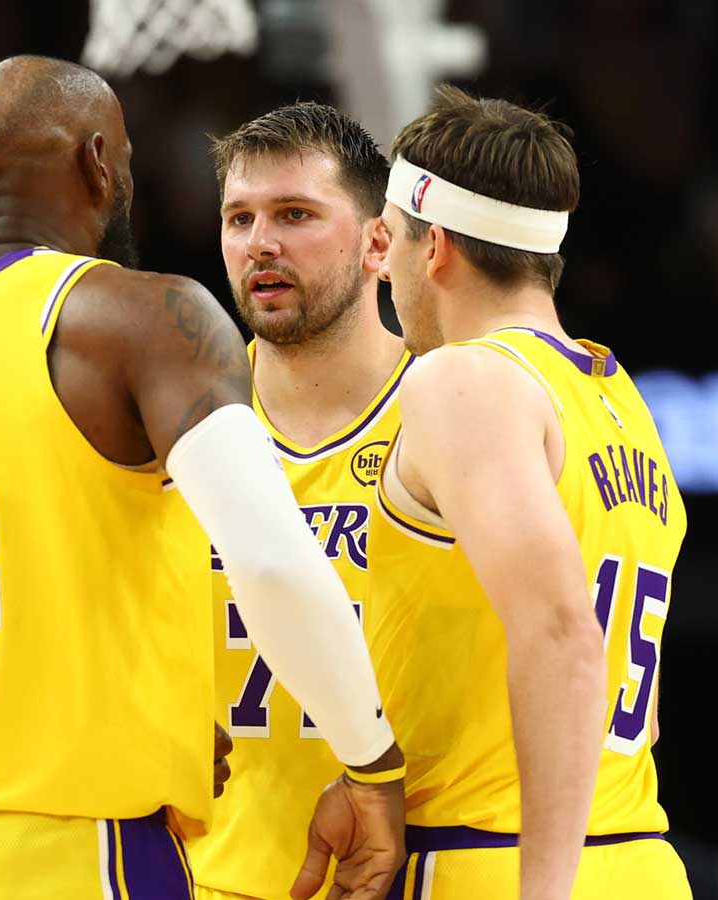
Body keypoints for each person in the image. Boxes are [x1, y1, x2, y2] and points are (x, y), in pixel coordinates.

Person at [0, 56, 406, 900]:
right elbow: (271, 561)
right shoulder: (137, 317)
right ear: (99, 163)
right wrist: (371, 767)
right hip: (68, 855)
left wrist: (134, 710)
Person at [368, 85, 691, 899]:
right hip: (641, 857)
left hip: (503, 861)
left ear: (434, 246)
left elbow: (563, 636)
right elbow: (633, 697)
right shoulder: (618, 398)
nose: (386, 266)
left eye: (394, 240)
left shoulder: (464, 380)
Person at [188, 103, 409, 900]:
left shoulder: (454, 409)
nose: (260, 243)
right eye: (239, 218)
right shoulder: (179, 425)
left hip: (404, 873)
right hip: (216, 878)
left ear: (378, 242)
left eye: (295, 214)